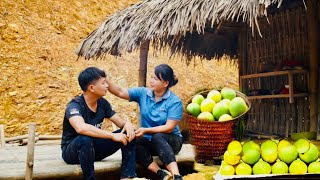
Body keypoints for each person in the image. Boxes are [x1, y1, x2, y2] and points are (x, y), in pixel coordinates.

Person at [107, 64, 184, 180]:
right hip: (150, 141)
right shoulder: (143, 93)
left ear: (166, 83)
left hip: (171, 141)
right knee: (132, 140)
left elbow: (169, 127)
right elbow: (119, 91)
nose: (151, 81)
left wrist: (146, 130)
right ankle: (161, 174)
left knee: (157, 137)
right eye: (152, 77)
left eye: (156, 79)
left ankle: (177, 175)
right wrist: (105, 79)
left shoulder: (174, 101)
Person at [61, 67, 137, 180]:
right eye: (103, 83)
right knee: (84, 138)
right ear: (91, 88)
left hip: (94, 149)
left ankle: (128, 176)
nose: (107, 86)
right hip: (73, 152)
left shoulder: (102, 103)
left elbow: (121, 123)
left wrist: (128, 124)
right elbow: (81, 128)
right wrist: (112, 135)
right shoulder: (75, 105)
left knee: (129, 133)